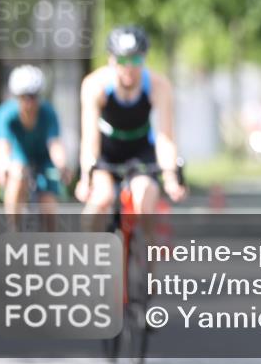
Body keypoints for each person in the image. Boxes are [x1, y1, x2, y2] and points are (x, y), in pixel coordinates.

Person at [75, 25, 186, 230]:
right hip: (107, 152)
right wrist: (85, 178)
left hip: (140, 150)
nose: (129, 68)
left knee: (144, 198)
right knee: (100, 199)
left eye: (135, 60)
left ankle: (146, 255)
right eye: (122, 61)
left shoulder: (158, 85)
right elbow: (90, 139)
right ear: (111, 60)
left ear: (143, 60)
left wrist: (171, 178)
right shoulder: (94, 85)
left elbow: (165, 137)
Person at [0, 65, 70, 229]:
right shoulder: (6, 114)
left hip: (44, 160)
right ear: (17, 97)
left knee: (48, 205)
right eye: (24, 97)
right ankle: (13, 230)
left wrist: (62, 166)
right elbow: (3, 144)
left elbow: (55, 144)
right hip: (20, 157)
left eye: (33, 96)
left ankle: (50, 247)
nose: (29, 102)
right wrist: (2, 166)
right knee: (16, 178)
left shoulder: (48, 112)